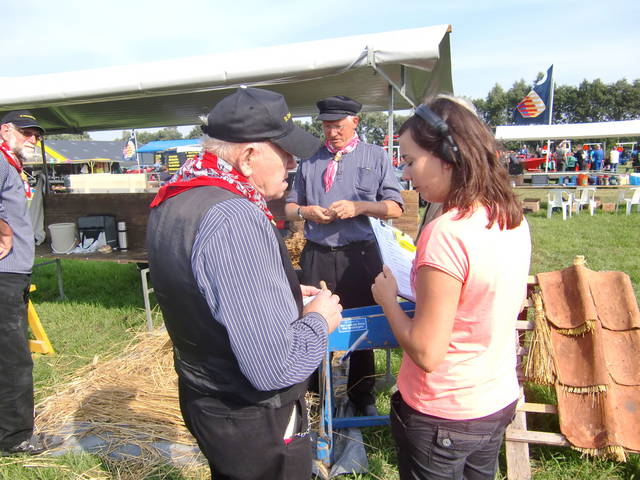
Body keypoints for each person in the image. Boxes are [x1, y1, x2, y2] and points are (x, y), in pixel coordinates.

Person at [146, 87, 343, 480]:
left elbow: (206, 287)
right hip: (251, 414)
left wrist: (283, 294)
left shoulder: (179, 194)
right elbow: (275, 366)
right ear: (249, 157)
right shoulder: (234, 216)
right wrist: (319, 320)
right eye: (285, 152)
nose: (292, 163)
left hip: (206, 396)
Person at [371, 95, 531, 480]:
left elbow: (427, 352)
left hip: (443, 411)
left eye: (410, 161)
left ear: (447, 156)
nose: (405, 174)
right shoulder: (509, 216)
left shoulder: (446, 232)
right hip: (495, 398)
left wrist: (388, 300)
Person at [285, 95, 404, 416]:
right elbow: (289, 207)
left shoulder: (375, 156)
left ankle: (362, 396)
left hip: (359, 257)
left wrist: (360, 207)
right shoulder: (310, 160)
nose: (332, 132)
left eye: (338, 126)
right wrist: (306, 212)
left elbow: (395, 207)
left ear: (355, 122)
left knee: (362, 326)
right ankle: (314, 396)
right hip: (317, 255)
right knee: (312, 322)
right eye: (326, 126)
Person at [0, 111, 58, 455]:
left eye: (36, 134)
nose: (33, 139)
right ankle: (15, 438)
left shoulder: (10, 163)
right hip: (5, 274)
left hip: (13, 271)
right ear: (5, 130)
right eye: (26, 132)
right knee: (14, 359)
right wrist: (4, 231)